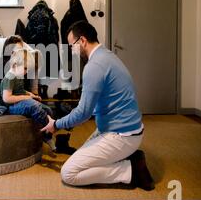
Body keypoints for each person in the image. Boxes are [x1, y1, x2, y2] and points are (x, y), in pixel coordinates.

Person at [41, 21, 155, 191]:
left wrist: (56, 124)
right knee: (83, 157)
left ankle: (130, 171)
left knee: (69, 173)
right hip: (122, 129)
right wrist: (70, 118)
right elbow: (97, 103)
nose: (72, 50)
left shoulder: (94, 66)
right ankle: (128, 157)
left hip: (122, 135)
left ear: (82, 41)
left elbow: (84, 113)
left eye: (72, 45)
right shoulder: (107, 55)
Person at [1, 49, 56, 151]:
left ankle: (47, 135)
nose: (26, 72)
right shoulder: (9, 78)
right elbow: (6, 98)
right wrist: (27, 98)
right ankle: (49, 130)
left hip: (20, 101)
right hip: (11, 106)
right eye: (25, 68)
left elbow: (21, 91)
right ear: (15, 64)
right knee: (34, 106)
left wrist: (32, 95)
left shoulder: (18, 75)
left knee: (48, 109)